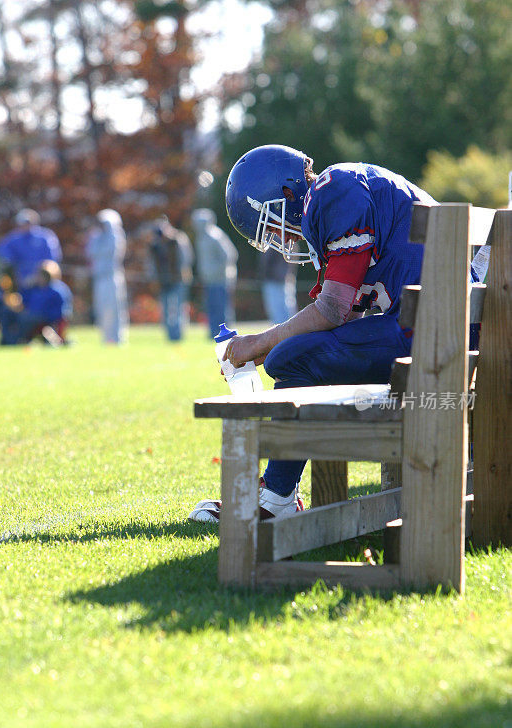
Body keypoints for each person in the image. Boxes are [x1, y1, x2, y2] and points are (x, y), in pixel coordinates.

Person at [189, 143, 441, 522]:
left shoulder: (333, 190)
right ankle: (277, 492)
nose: (282, 239)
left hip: (433, 334)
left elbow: (333, 310)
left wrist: (262, 342)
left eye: (272, 224)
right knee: (295, 352)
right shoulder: (343, 190)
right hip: (439, 328)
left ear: (288, 193)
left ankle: (275, 497)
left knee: (293, 358)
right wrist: (275, 341)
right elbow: (347, 316)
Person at [0, 209, 62, 303]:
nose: (26, 225)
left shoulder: (45, 237)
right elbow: (2, 252)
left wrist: (38, 276)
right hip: (22, 281)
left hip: (44, 282)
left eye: (28, 222)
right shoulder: (14, 238)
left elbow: (53, 259)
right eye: (23, 223)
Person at [191, 208, 238, 339]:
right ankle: (213, 334)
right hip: (208, 280)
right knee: (210, 308)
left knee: (221, 309)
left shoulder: (215, 236)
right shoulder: (201, 238)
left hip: (220, 279)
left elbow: (229, 255)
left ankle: (226, 335)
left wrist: (215, 271)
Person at [0, 262, 71, 345]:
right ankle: (5, 339)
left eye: (43, 275)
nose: (39, 277)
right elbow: (22, 299)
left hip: (45, 318)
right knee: (5, 311)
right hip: (28, 314)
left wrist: (41, 314)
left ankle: (16, 340)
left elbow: (60, 312)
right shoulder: (34, 288)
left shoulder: (58, 290)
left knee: (26, 319)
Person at [146, 216, 193, 341]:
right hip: (163, 281)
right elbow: (151, 264)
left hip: (178, 279)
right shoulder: (155, 245)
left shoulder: (178, 239)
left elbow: (187, 258)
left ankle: (178, 336)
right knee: (166, 310)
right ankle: (169, 336)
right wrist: (153, 279)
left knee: (178, 308)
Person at [85, 209, 128, 345]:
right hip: (99, 278)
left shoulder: (116, 236)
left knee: (115, 309)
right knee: (101, 309)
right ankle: (106, 338)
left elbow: (110, 251)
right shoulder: (96, 236)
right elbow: (90, 252)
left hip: (112, 277)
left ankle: (118, 338)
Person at [259, 247, 298, 324]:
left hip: (275, 280)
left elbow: (266, 261)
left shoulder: (276, 241)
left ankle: (285, 334)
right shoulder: (290, 242)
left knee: (279, 313)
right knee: (287, 310)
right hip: (285, 279)